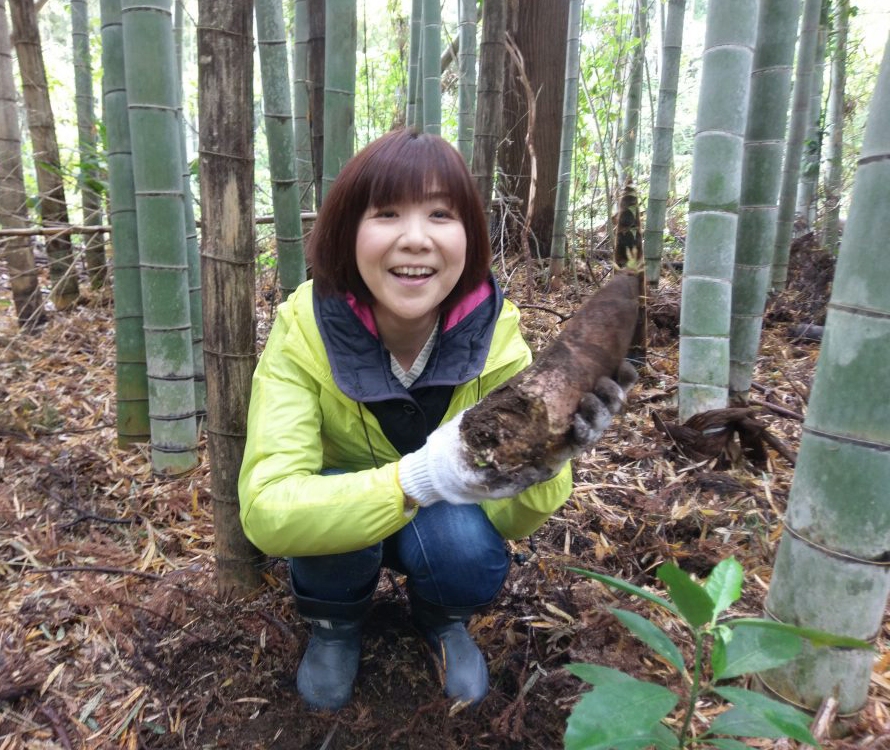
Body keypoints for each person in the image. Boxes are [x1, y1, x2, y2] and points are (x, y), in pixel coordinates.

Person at [238, 129, 635, 711]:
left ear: (469, 236)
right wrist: (419, 477)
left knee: (467, 546)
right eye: (388, 213)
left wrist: (545, 459)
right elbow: (268, 510)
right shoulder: (304, 330)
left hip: (439, 526)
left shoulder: (494, 336)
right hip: (341, 533)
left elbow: (514, 521)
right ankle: (335, 626)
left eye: (441, 214)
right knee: (319, 514)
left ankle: (442, 620)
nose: (416, 239)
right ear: (348, 232)